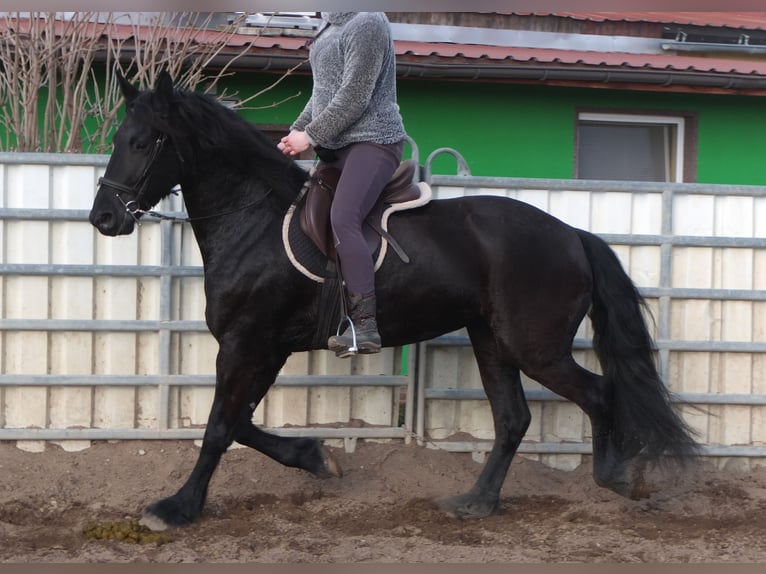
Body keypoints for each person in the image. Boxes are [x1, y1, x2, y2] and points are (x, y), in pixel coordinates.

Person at [278, 12, 407, 358]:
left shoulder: (367, 20)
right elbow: (322, 95)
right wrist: (296, 132)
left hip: (374, 140)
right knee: (305, 211)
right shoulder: (329, 27)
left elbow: (355, 94)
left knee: (343, 217)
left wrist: (310, 136)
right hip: (335, 146)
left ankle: (365, 325)